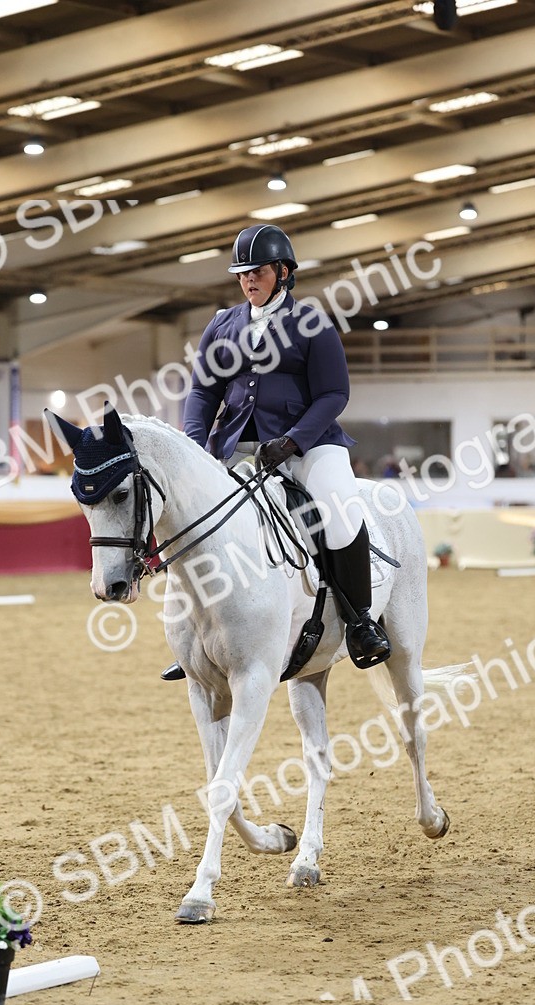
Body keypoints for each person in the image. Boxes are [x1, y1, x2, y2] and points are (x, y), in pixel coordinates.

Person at [161, 223, 391, 680]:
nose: (249, 280)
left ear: (284, 272)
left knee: (337, 510)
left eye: (258, 271)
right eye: (243, 273)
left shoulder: (312, 323)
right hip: (236, 445)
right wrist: (193, 446)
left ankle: (361, 620)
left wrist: (294, 440)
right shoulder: (222, 325)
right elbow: (204, 391)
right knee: (193, 521)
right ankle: (196, 632)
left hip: (309, 446)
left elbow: (333, 394)